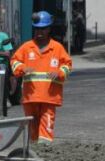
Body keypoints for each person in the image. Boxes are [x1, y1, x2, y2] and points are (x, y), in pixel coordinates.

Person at [10, 11, 72, 145]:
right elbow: (14, 62)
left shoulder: (57, 48)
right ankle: (33, 155)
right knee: (32, 129)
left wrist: (60, 72)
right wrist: (22, 68)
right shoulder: (27, 47)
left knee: (46, 130)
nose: (40, 32)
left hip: (49, 97)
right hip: (30, 97)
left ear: (49, 29)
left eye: (43, 29)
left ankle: (44, 153)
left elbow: (67, 64)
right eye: (37, 28)